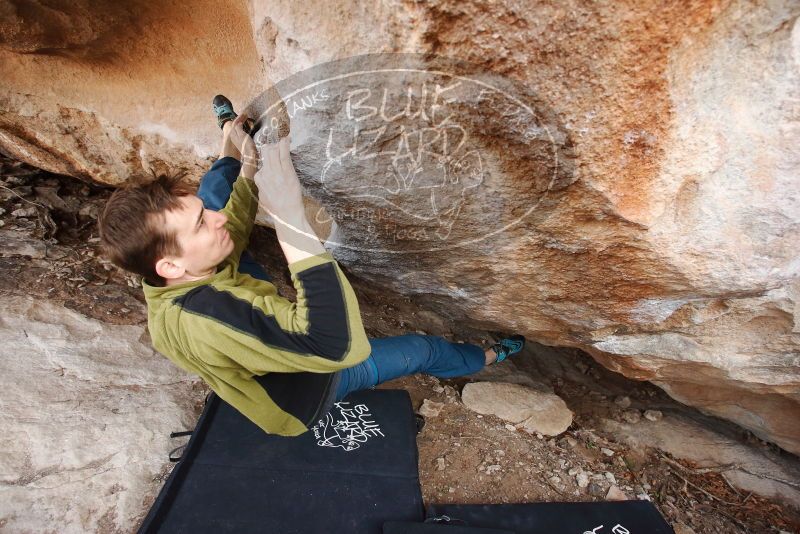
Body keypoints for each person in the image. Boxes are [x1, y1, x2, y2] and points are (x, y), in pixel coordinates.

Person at [98, 95, 526, 436]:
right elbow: (335, 345)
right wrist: (288, 218)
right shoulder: (212, 315)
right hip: (305, 394)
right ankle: (482, 357)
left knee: (217, 196)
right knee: (422, 349)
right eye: (200, 224)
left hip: (234, 303)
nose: (218, 219)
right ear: (171, 266)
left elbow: (225, 218)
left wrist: (248, 167)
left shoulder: (169, 273)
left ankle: (231, 138)